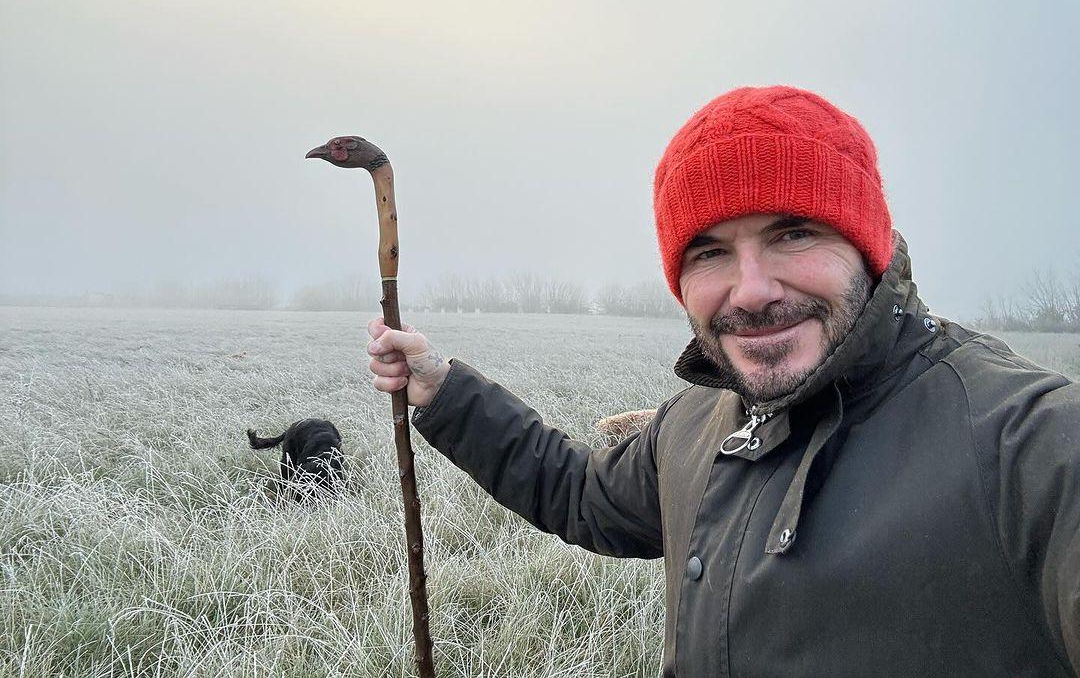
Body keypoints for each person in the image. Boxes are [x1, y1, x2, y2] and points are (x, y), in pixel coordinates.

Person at [366, 86, 1079, 676]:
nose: (752, 290)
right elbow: (582, 494)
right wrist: (445, 391)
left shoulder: (1026, 445)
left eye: (793, 233)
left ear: (866, 246)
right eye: (710, 252)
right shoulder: (698, 422)